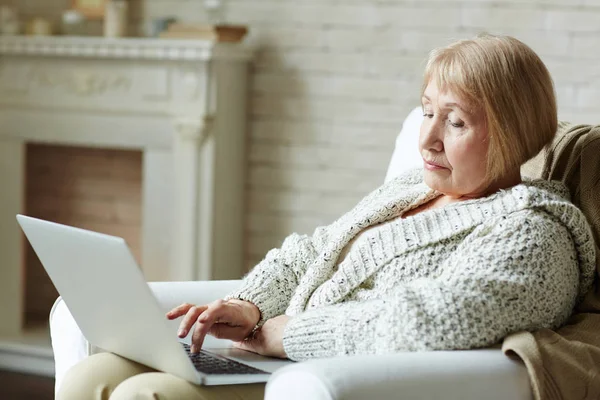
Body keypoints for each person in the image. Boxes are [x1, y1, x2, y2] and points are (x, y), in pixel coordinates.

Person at [57, 34, 596, 400]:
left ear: (511, 132)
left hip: (329, 379)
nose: (426, 137)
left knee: (141, 394)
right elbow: (311, 251)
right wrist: (250, 304)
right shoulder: (410, 189)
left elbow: (438, 320)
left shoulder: (532, 232)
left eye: (454, 121)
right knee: (91, 376)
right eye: (427, 110)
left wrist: (291, 337)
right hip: (275, 360)